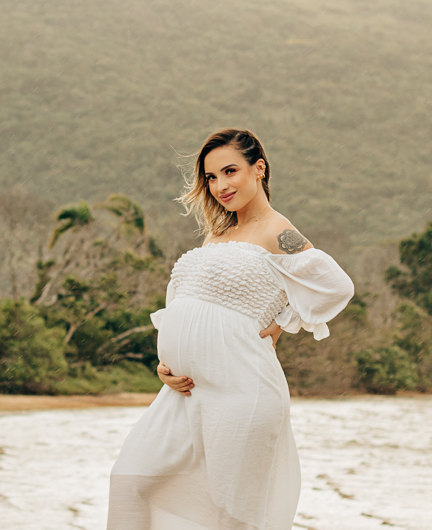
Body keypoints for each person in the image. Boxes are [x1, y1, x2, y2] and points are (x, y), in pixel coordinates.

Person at [107, 128, 355, 530]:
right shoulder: (217, 235)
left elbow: (336, 286)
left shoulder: (277, 231)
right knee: (131, 480)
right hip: (187, 392)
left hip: (243, 388)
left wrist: (284, 321)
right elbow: (188, 302)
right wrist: (167, 363)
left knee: (232, 514)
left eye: (230, 171)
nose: (220, 185)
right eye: (211, 177)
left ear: (259, 169)